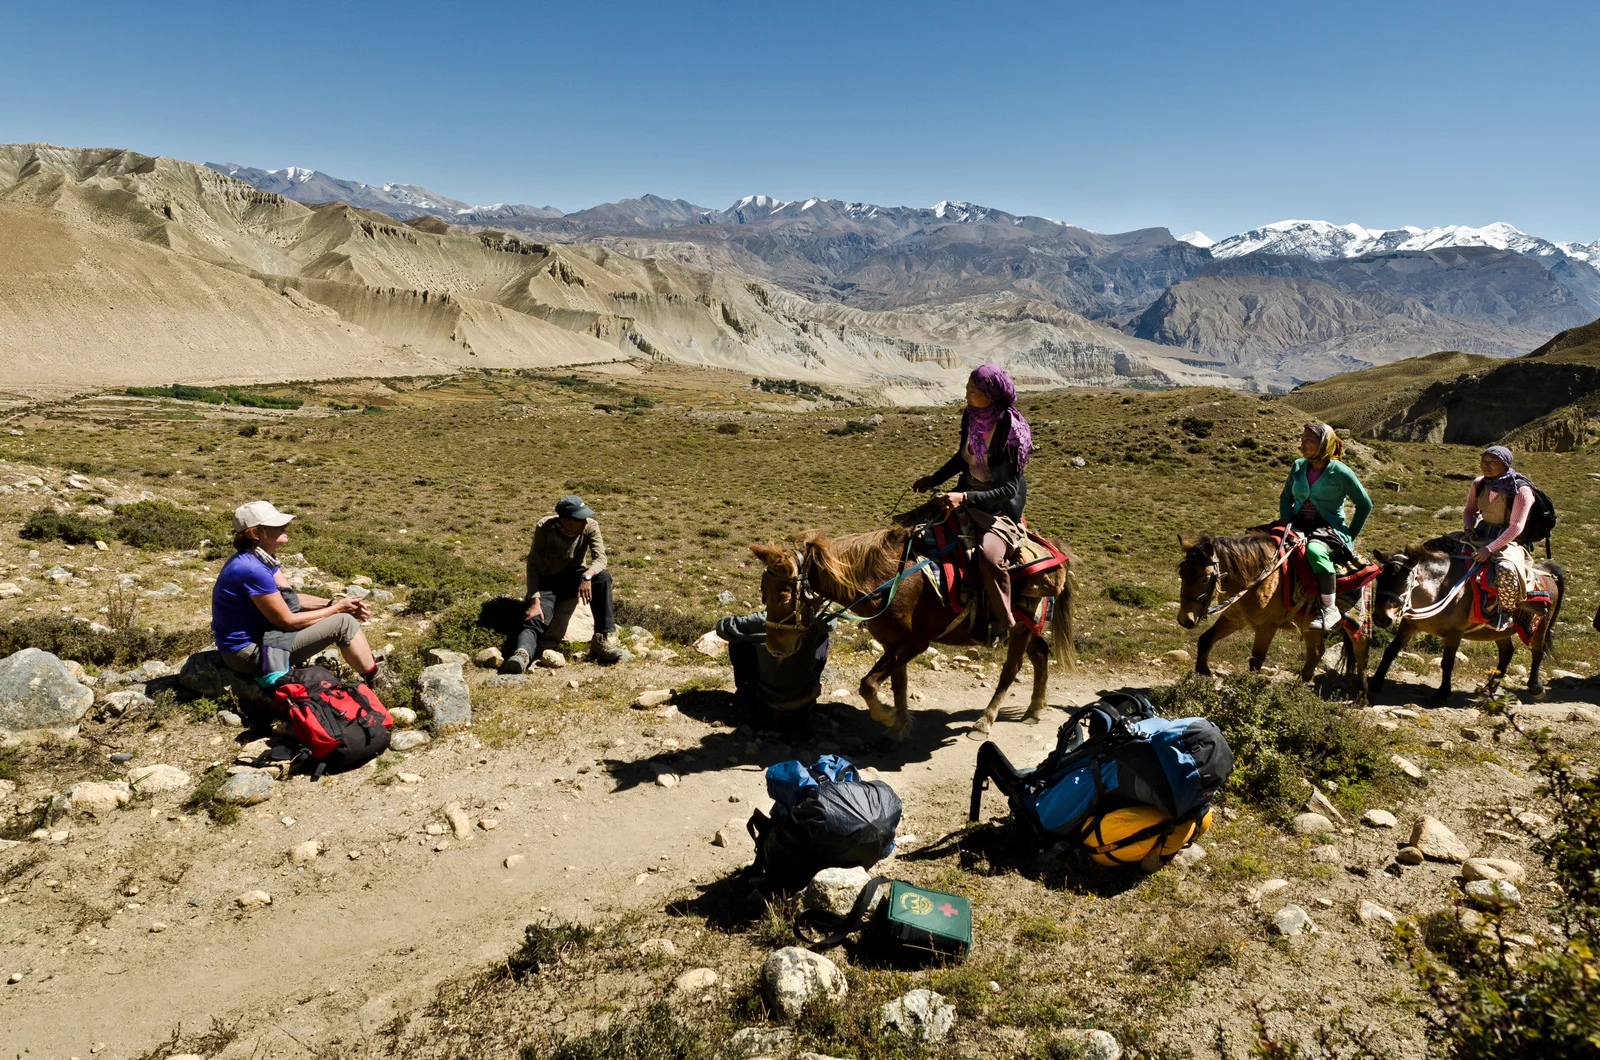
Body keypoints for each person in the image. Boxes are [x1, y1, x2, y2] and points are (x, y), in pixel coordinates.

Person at [212, 501, 393, 690]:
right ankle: (379, 683)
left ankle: (375, 671)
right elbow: (287, 621)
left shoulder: (258, 558)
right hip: (248, 654)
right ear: (256, 534)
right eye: (275, 524)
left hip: (263, 638)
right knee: (344, 623)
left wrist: (333, 602)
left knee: (341, 617)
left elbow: (291, 599)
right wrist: (337, 610)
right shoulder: (253, 569)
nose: (285, 526)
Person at [912, 364, 1033, 640]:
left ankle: (1003, 621)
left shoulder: (1010, 431)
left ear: (992, 394)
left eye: (974, 389)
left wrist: (964, 497)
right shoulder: (971, 416)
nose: (967, 392)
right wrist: (935, 478)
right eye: (968, 386)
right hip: (967, 492)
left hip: (999, 506)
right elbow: (962, 456)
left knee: (990, 557)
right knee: (911, 529)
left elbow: (1009, 487)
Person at [503, 495, 623, 672]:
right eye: (579, 518)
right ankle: (522, 654)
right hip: (546, 582)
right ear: (565, 520)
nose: (584, 521)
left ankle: (601, 640)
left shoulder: (590, 526)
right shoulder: (545, 527)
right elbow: (533, 565)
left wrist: (587, 576)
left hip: (574, 577)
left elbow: (600, 559)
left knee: (603, 577)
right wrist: (534, 600)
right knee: (537, 617)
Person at [1277, 423, 1372, 631]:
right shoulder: (1298, 466)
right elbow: (1286, 497)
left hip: (1327, 528)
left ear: (1323, 444)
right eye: (1302, 439)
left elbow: (1365, 505)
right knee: (1265, 543)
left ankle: (1330, 609)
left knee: (1314, 551)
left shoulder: (1340, 472)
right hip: (1298, 523)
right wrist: (1285, 517)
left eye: (1308, 440)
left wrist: (1349, 536)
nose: (1302, 444)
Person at [1458, 444, 1537, 600]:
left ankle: (1506, 611)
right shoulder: (1479, 483)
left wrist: (1489, 549)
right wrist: (1468, 529)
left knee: (1505, 569)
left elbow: (1516, 527)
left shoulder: (1521, 490)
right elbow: (1470, 511)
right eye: (1484, 460)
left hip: (1509, 539)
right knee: (1437, 545)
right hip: (1481, 532)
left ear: (1505, 464)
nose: (1486, 465)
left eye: (1493, 461)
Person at [716, 610, 833, 715]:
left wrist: (747, 622)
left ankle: (746, 692)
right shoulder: (811, 617)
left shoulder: (759, 620)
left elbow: (721, 627)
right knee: (822, 636)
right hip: (805, 698)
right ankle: (806, 687)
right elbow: (832, 621)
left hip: (765, 699)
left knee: (737, 638)